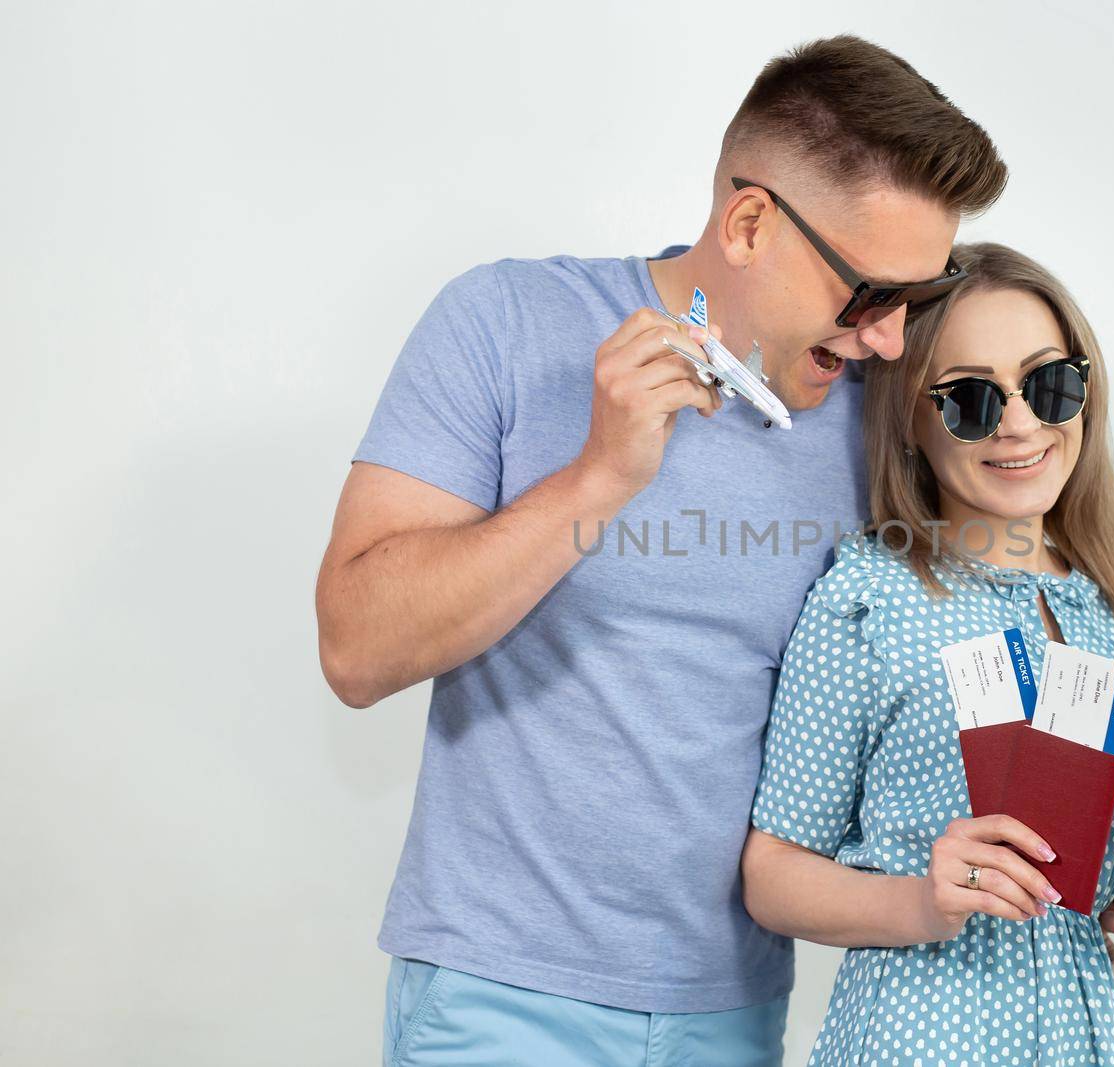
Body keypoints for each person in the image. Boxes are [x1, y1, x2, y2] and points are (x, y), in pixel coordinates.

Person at [314, 35, 1014, 1066]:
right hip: (499, 997)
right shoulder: (504, 322)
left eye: (917, 296)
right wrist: (598, 477)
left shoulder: (883, 423)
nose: (890, 339)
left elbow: (950, 674)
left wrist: (1109, 891)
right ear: (747, 224)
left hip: (730, 1011)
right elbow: (354, 649)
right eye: (868, 295)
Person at [740, 242, 1114, 1065]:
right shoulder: (871, 601)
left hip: (1080, 1036)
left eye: (1051, 382)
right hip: (915, 1040)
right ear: (911, 423)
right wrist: (926, 900)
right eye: (970, 400)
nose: (1022, 423)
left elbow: (1095, 906)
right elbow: (772, 874)